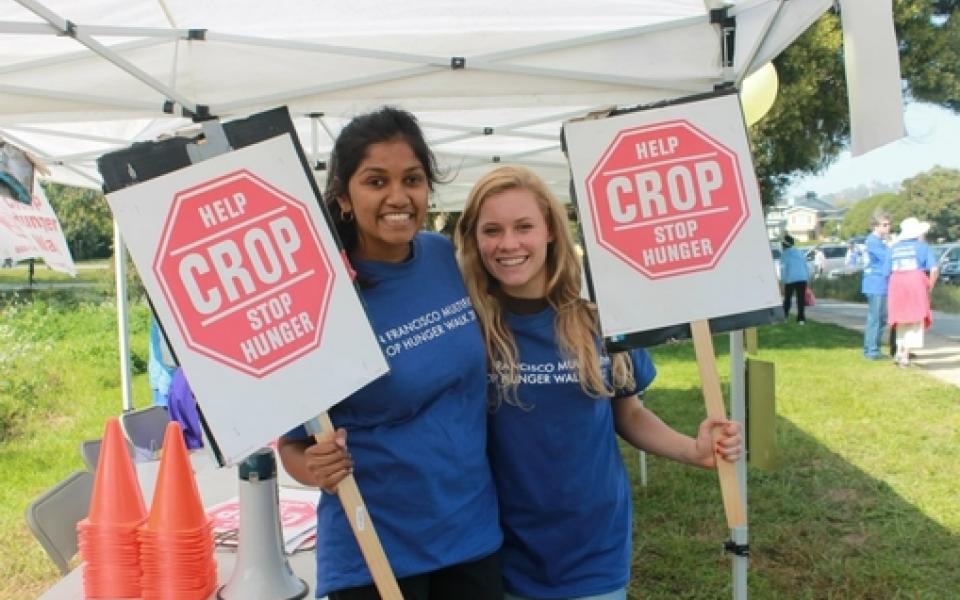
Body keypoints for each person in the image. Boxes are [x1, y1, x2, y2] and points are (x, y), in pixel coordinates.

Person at [455, 165, 742, 599]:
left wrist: (694, 450)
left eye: (524, 226)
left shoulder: (598, 321)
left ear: (550, 231)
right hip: (503, 553)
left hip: (593, 551)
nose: (508, 243)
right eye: (492, 230)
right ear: (474, 240)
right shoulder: (468, 329)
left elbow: (629, 412)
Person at [277, 107, 502, 600]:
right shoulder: (318, 290)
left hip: (471, 534)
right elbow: (293, 444)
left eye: (413, 180)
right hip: (372, 550)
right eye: (376, 181)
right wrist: (313, 469)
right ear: (342, 197)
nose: (398, 197)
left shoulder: (444, 257)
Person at [886, 217, 939, 368]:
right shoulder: (922, 247)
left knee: (900, 319)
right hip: (915, 283)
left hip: (896, 283)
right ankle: (905, 355)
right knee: (915, 320)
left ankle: (899, 349)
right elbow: (934, 269)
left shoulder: (893, 248)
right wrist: (930, 285)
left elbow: (886, 272)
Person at [861, 210, 891, 360]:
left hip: (882, 283)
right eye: (884, 225)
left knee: (882, 318)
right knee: (875, 318)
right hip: (875, 283)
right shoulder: (872, 241)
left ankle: (875, 349)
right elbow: (887, 258)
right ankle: (871, 351)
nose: (888, 228)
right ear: (876, 226)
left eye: (889, 224)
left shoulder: (880, 242)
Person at [779, 234, 810, 324]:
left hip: (790, 278)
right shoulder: (799, 252)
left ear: (784, 245)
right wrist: (807, 277)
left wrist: (782, 282)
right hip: (802, 277)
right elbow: (805, 265)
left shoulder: (784, 255)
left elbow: (783, 269)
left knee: (787, 299)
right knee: (800, 299)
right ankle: (801, 319)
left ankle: (784, 317)